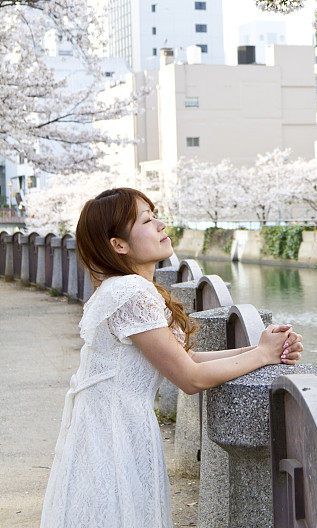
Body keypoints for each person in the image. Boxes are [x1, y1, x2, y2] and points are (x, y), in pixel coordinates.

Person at [40, 187, 303, 528]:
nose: (162, 225)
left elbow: (185, 359)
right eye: (148, 220)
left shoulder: (123, 287)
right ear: (118, 245)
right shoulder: (132, 292)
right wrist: (264, 354)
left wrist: (261, 351)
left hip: (107, 422)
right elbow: (189, 378)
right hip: (114, 429)